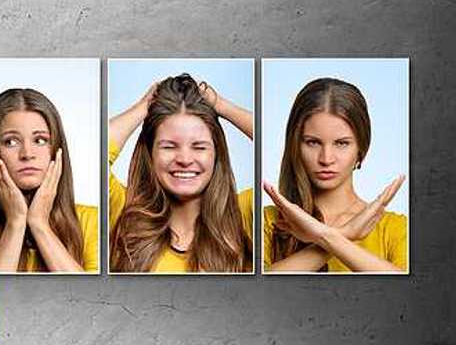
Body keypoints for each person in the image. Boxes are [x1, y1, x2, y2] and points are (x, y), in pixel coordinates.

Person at [108, 73, 253, 273]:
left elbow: (278, 141)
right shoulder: (123, 210)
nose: (185, 159)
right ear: (150, 153)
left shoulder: (242, 213)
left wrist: (221, 106)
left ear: (216, 153)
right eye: (169, 147)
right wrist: (143, 108)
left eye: (199, 147)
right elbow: (96, 150)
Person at [262, 77, 407, 272]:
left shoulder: (395, 228)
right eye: (313, 142)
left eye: (341, 143)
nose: (326, 159)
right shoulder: (268, 222)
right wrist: (345, 234)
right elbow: (256, 287)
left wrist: (328, 238)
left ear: (361, 149)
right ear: (295, 145)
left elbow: (409, 288)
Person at [0, 88, 98, 272]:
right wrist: (16, 222)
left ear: (57, 150)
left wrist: (39, 223)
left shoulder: (92, 221)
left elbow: (93, 291)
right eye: (10, 142)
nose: (27, 154)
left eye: (40, 140)